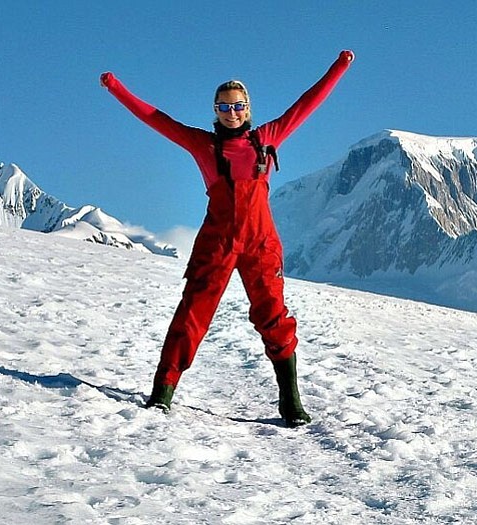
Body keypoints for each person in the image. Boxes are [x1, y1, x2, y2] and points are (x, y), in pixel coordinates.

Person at [100, 50, 354, 427]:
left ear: (247, 108)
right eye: (223, 106)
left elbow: (307, 103)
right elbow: (156, 118)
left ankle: (290, 402)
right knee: (192, 315)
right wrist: (115, 87)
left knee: (275, 320)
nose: (231, 112)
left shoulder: (267, 138)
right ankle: (162, 392)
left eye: (237, 106)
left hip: (261, 244)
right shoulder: (202, 145)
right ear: (215, 110)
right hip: (216, 243)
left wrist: (339, 66)